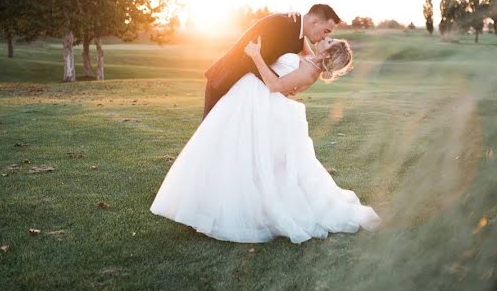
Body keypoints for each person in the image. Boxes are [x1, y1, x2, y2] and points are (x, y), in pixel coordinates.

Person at [150, 31, 381, 244]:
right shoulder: (311, 59)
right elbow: (302, 41)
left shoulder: (311, 71)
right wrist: (297, 20)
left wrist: (255, 55)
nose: (325, 38)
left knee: (252, 158)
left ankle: (238, 212)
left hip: (267, 105)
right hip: (258, 100)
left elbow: (275, 85)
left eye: (330, 41)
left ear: (329, 53)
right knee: (241, 152)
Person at [202, 4, 340, 118]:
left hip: (247, 92)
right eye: (326, 31)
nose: (325, 37)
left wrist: (288, 84)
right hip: (226, 81)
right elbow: (248, 58)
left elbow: (313, 62)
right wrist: (280, 85)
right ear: (314, 22)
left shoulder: (299, 35)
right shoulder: (282, 24)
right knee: (210, 137)